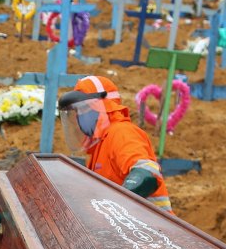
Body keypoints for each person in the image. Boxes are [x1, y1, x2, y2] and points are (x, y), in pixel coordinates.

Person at [58, 75, 172, 212]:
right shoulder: (99, 147)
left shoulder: (121, 133)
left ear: (102, 105)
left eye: (84, 109)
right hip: (132, 227)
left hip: (154, 227)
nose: (79, 116)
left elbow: (147, 172)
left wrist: (118, 203)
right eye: (78, 111)